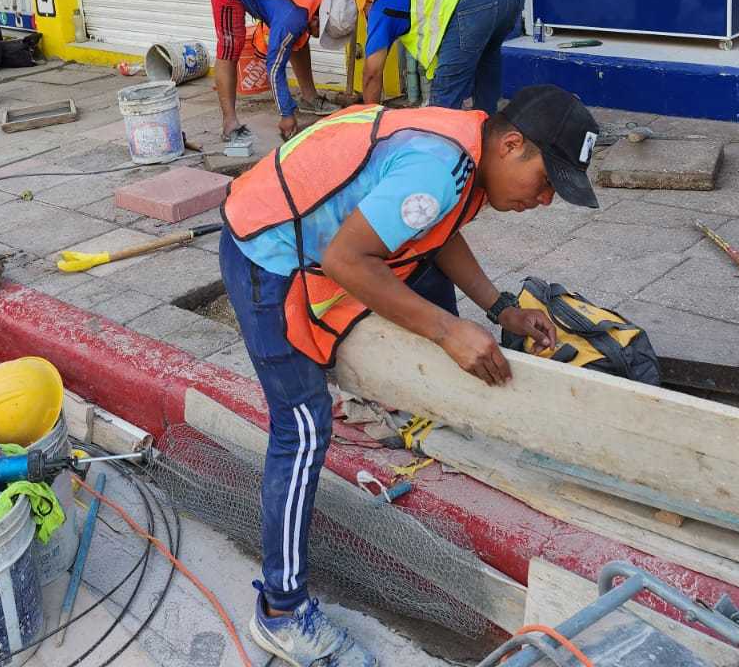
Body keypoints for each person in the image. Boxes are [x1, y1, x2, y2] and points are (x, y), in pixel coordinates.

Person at [219, 84, 599, 667]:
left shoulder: (469, 152)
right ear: (512, 145)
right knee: (303, 427)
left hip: (308, 235)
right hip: (266, 249)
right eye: (546, 181)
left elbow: (436, 233)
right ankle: (280, 612)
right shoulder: (438, 166)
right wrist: (447, 331)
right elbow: (346, 260)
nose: (545, 200)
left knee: (415, 293)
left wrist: (499, 307)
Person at [211, 0, 356, 147]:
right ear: (318, 18)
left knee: (298, 33)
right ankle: (229, 123)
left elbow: (301, 27)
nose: (318, 36)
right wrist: (286, 114)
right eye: (321, 31)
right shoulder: (291, 15)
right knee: (230, 45)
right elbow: (274, 67)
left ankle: (309, 98)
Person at [357, 0, 526, 114]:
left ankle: (438, 135)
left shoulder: (380, 4)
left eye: (366, 14)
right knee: (487, 62)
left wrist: (370, 119)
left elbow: (372, 73)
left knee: (446, 93)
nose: (369, 22)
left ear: (369, 1)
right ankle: (487, 125)